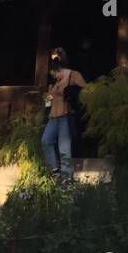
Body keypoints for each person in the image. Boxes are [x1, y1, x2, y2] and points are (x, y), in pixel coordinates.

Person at [41, 48, 86, 180]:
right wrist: (47, 98)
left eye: (54, 74)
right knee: (46, 140)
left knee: (64, 147)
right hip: (53, 116)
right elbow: (49, 100)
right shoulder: (55, 83)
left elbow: (86, 91)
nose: (54, 76)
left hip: (66, 114)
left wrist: (70, 91)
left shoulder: (73, 75)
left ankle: (66, 176)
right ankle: (55, 170)